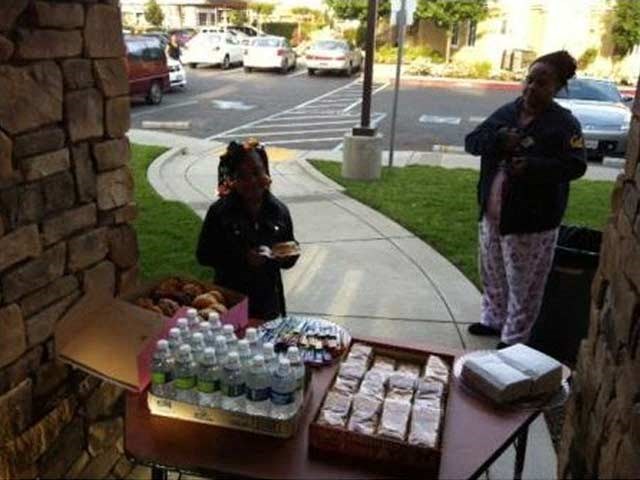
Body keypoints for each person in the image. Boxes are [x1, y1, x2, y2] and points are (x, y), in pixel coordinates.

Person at [464, 50, 587, 349]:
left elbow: (576, 165)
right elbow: (472, 142)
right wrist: (498, 140)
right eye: (529, 80)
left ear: (557, 87)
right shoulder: (507, 112)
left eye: (541, 83)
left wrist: (533, 167)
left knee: (524, 284)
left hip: (532, 222)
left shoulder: (563, 124)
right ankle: (493, 320)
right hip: (493, 216)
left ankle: (514, 338)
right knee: (492, 272)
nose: (531, 87)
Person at [196, 141, 298, 321]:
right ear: (233, 180)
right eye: (242, 175)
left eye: (257, 172)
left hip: (268, 304)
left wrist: (289, 256)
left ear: (266, 173)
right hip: (230, 303)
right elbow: (203, 255)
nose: (251, 180)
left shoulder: (279, 212)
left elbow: (287, 250)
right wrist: (243, 258)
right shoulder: (220, 212)